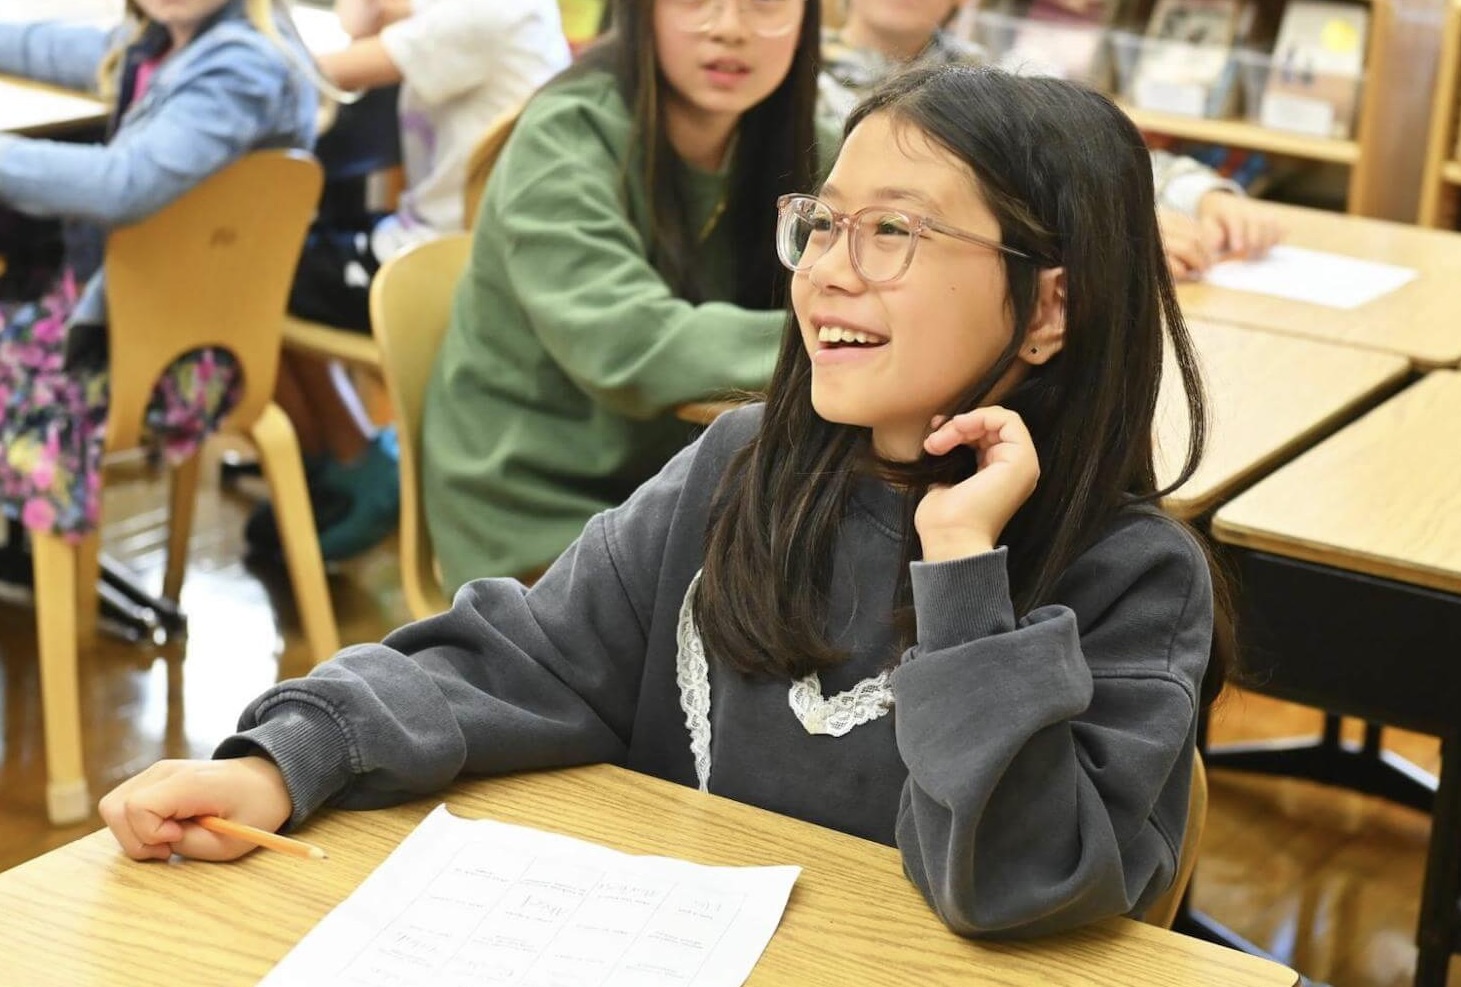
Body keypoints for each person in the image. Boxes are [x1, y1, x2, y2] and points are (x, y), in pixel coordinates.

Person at [101, 63, 1229, 939]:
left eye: (895, 231)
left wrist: (962, 575)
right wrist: (281, 761)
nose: (830, 268)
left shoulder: (1130, 579)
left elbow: (1020, 883)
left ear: (1047, 311)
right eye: (823, 222)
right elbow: (523, 655)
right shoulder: (744, 468)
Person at [417, 0, 825, 588]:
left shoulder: (800, 141)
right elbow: (629, 343)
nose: (730, 27)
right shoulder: (566, 135)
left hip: (689, 485)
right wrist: (845, 338)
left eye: (765, 3)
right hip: (539, 505)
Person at [246, 0, 572, 565]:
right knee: (277, 254)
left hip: (445, 262)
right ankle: (328, 466)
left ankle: (350, 463)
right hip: (438, 237)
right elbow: (364, 17)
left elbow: (305, 71)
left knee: (252, 269)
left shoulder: (488, 14)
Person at [0, 0, 319, 541]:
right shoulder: (169, 43)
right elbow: (53, 48)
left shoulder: (240, 70)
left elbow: (119, 185)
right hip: (137, 318)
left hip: (160, 359)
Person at [820, 0, 1284, 280]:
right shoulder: (807, 86)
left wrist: (1203, 194)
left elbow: (1095, 149)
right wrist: (1115, 231)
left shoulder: (997, 73)